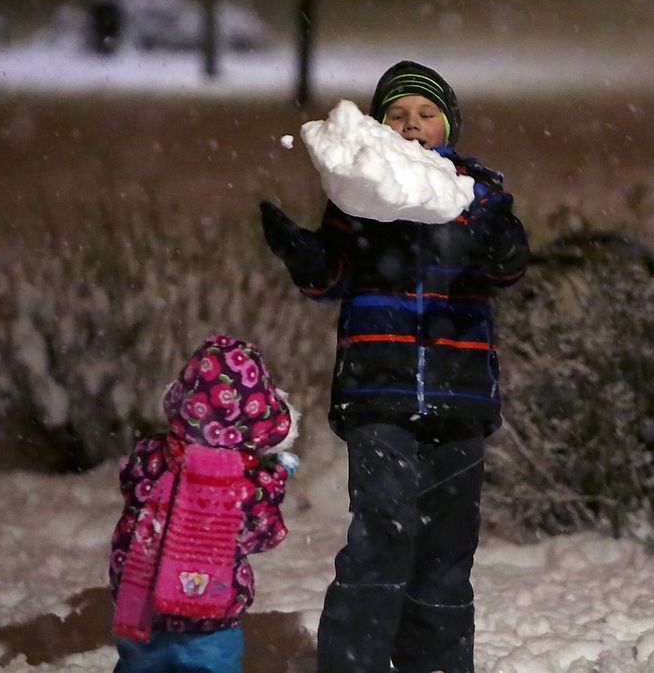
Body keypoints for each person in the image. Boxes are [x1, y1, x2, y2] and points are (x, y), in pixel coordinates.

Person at [260, 60, 529, 673]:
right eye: (398, 115)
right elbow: (331, 279)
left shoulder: (476, 193)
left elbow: (507, 268)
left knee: (447, 545)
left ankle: (433, 663)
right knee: (383, 529)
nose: (412, 127)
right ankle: (353, 662)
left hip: (458, 396)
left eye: (426, 115)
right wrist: (303, 253)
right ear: (378, 128)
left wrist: (494, 236)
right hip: (377, 393)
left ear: (448, 127)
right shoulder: (358, 199)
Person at [109, 334, 298, 673]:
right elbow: (261, 533)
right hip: (210, 620)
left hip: (141, 609)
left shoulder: (152, 454)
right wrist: (275, 480)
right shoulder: (245, 480)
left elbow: (131, 486)